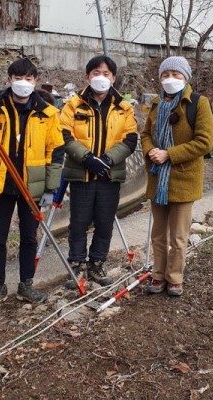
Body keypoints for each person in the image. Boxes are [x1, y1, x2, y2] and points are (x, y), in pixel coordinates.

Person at [0, 58, 65, 311]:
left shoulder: (48, 113)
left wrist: (51, 188)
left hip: (32, 185)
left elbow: (55, 150)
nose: (23, 84)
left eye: (28, 79)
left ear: (35, 82)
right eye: (18, 78)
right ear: (8, 80)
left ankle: (26, 284)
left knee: (29, 237)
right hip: (2, 185)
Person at [59, 54, 138, 287]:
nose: (101, 78)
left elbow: (130, 139)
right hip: (82, 174)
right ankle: (77, 264)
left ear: (113, 78)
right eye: (96, 73)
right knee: (78, 222)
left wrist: (107, 160)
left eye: (106, 74)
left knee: (104, 222)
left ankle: (96, 263)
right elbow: (64, 134)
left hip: (109, 175)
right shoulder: (73, 105)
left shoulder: (124, 108)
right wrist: (86, 158)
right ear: (87, 76)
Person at [140, 56, 213, 297]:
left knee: (179, 236)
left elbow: (204, 142)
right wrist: (150, 150)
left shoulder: (198, 103)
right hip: (157, 177)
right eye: (165, 75)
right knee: (158, 234)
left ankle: (174, 278)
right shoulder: (155, 104)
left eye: (176, 75)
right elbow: (145, 134)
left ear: (186, 78)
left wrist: (169, 154)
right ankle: (158, 275)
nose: (170, 79)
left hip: (183, 178)